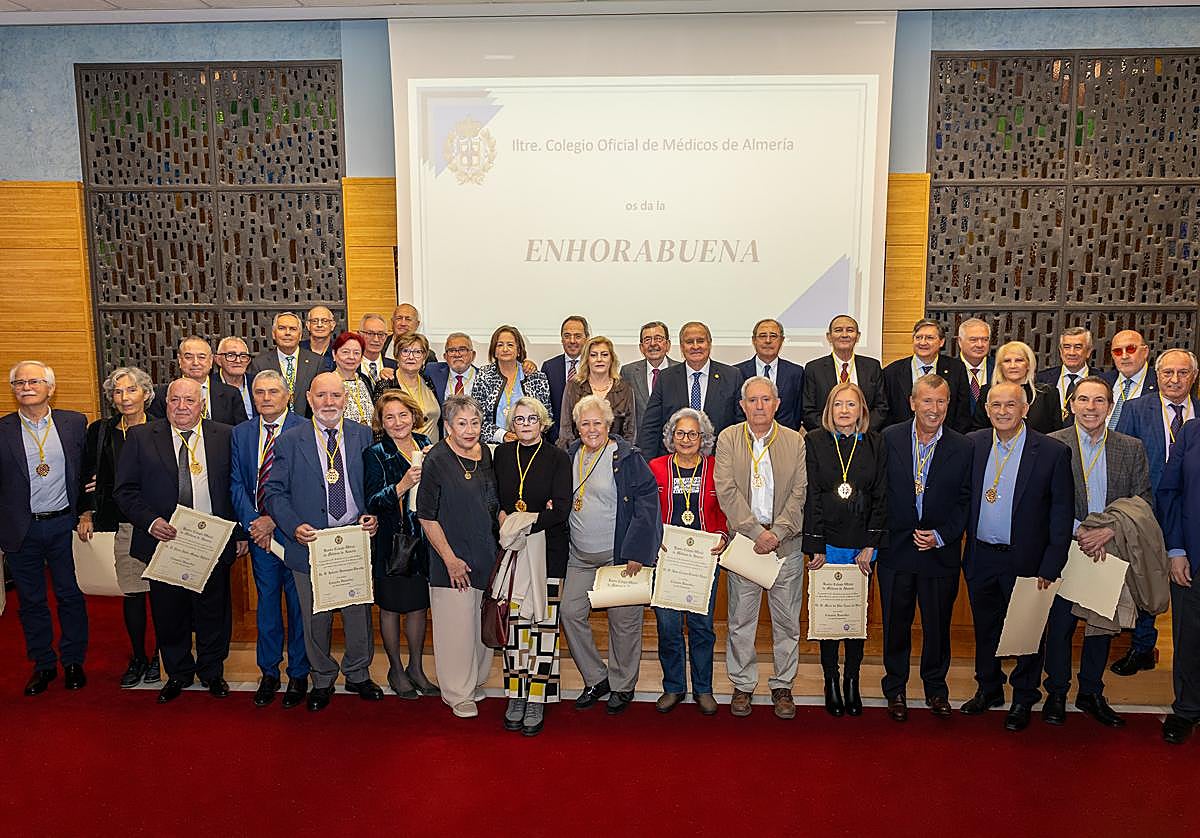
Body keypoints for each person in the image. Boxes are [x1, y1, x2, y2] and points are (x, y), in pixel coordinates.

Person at [261, 371, 383, 712]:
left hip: (353, 541)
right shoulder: (289, 440)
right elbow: (274, 492)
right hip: (311, 542)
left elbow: (376, 485)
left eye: (335, 396)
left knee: (358, 614)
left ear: (345, 399)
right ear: (309, 399)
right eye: (322, 396)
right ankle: (323, 677)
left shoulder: (363, 436)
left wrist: (373, 513)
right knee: (316, 617)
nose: (329, 402)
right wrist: (293, 525)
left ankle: (358, 673)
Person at [114, 378, 238, 703]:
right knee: (170, 613)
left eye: (190, 401)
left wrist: (236, 534)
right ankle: (178, 673)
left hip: (210, 542)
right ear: (165, 403)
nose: (182, 407)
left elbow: (236, 490)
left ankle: (212, 672)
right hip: (162, 543)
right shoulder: (141, 437)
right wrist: (150, 521)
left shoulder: (224, 436)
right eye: (175, 400)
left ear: (202, 405)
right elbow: (124, 490)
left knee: (214, 612)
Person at [960, 382, 1073, 732]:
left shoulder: (1052, 451)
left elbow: (1061, 513)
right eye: (996, 405)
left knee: (1027, 632)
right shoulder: (972, 444)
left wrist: (1052, 564)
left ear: (1025, 409)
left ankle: (1025, 695)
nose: (1003, 411)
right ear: (987, 408)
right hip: (981, 556)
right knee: (986, 628)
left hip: (1027, 560)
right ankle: (989, 688)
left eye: (1011, 405)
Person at [1043, 377, 1154, 729]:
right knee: (1059, 627)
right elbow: (1040, 501)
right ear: (1071, 404)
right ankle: (1057, 692)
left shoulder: (1130, 447)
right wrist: (1078, 530)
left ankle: (1090, 692)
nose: (1091, 407)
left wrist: (1109, 531)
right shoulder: (1051, 445)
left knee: (1100, 628)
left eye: (1099, 401)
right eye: (1084, 400)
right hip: (1067, 548)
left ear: (1109, 406)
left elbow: (1144, 501)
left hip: (1110, 549)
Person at [878, 374, 971, 721]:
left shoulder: (964, 446)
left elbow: (966, 500)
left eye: (941, 401)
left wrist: (943, 535)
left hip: (939, 550)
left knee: (937, 626)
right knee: (895, 625)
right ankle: (896, 689)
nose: (934, 409)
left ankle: (935, 689)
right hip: (896, 550)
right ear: (913, 402)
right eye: (927, 401)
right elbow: (879, 492)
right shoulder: (889, 438)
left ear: (949, 404)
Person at [561, 395, 661, 715]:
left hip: (618, 554)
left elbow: (648, 505)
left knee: (624, 624)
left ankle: (622, 684)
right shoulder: (569, 455)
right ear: (577, 427)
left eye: (597, 423)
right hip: (579, 554)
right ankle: (596, 677)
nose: (591, 429)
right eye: (585, 423)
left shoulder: (627, 457)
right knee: (570, 613)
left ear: (609, 424)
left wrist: (637, 551)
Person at [715, 376, 808, 719]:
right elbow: (726, 491)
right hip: (746, 545)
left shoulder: (795, 441)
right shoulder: (728, 438)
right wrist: (756, 532)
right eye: (752, 400)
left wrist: (778, 532)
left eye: (765, 400)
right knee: (741, 619)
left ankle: (783, 685)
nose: (759, 406)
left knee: (787, 622)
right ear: (742, 405)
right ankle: (742, 685)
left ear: (777, 404)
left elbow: (800, 492)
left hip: (786, 545)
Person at [1, 361, 89, 696]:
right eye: (18, 382)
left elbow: (85, 474)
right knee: (31, 600)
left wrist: (86, 512)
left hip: (64, 525)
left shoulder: (74, 423)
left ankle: (72, 661)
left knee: (70, 595)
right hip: (20, 530)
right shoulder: (3, 430)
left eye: (34, 380)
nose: (25, 386)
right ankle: (43, 664)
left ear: (50, 388)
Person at [1113, 348, 1200, 676]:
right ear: (1157, 375)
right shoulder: (1136, 409)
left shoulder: (1199, 415)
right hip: (1145, 509)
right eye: (1168, 373)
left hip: (1190, 513)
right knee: (1145, 576)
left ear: (1193, 377)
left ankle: (1186, 655)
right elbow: (1121, 458)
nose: (1175, 379)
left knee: (1186, 579)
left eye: (1182, 373)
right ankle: (1142, 646)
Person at [803, 382, 886, 718]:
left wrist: (871, 544)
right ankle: (830, 681)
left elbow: (882, 495)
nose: (844, 410)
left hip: (862, 546)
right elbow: (811, 497)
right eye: (838, 404)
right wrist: (816, 545)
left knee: (855, 617)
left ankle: (852, 680)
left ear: (861, 411)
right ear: (829, 409)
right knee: (829, 616)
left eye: (851, 405)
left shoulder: (876, 443)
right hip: (829, 543)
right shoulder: (815, 442)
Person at [416, 395, 501, 718]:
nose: (469, 430)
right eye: (461, 424)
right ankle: (456, 692)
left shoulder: (487, 455)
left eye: (475, 423)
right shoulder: (436, 459)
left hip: (485, 553)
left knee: (479, 625)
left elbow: (492, 503)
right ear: (448, 426)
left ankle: (475, 681)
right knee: (456, 630)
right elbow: (426, 516)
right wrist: (450, 559)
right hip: (450, 558)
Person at [230, 370, 309, 709]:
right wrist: (253, 524)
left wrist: (273, 520)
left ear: (287, 395)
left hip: (293, 534)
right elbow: (235, 482)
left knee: (299, 606)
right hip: (260, 539)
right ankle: (269, 673)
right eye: (259, 392)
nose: (265, 398)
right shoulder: (241, 433)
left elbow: (306, 487)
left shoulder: (305, 430)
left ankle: (299, 673)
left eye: (273, 391)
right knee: (266, 606)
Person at [492, 397, 571, 735]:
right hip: (512, 553)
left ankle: (537, 696)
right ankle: (516, 695)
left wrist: (521, 521)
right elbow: (495, 499)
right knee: (515, 628)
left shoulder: (558, 457)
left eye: (532, 419)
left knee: (543, 627)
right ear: (512, 423)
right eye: (519, 419)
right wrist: (505, 516)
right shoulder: (501, 455)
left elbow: (561, 509)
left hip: (548, 553)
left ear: (543, 422)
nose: (525, 424)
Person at [77, 366, 160, 688]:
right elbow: (87, 475)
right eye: (118, 392)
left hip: (160, 524)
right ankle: (139, 656)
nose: (124, 397)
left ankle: (161, 657)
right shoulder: (101, 431)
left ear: (146, 394)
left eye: (131, 390)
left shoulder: (161, 428)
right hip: (123, 524)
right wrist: (86, 513)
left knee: (165, 597)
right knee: (134, 594)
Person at [648, 408, 728, 716]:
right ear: (670, 437)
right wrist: (655, 540)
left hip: (704, 560)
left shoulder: (715, 468)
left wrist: (722, 534)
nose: (686, 439)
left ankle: (704, 689)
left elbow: (724, 507)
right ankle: (673, 687)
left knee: (702, 626)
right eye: (680, 433)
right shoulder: (655, 467)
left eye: (693, 434)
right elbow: (646, 510)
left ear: (704, 438)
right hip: (667, 558)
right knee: (668, 627)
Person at [363, 390, 440, 700]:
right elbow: (372, 500)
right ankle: (395, 669)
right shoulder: (376, 453)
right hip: (393, 541)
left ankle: (417, 668)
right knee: (392, 608)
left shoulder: (426, 446)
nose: (397, 422)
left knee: (419, 607)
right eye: (389, 417)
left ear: (414, 415)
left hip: (425, 540)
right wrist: (402, 484)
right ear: (382, 422)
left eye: (403, 415)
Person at [1156, 413, 1200, 744]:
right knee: (1189, 638)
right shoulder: (1191, 432)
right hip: (1191, 557)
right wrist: (1176, 549)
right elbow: (1169, 491)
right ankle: (1187, 708)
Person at [639, 321, 744, 458]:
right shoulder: (666, 378)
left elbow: (741, 425)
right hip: (674, 462)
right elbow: (651, 427)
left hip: (719, 461)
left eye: (700, 341)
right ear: (682, 347)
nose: (695, 346)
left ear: (709, 344)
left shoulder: (732, 376)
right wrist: (648, 467)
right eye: (689, 342)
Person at [802, 314, 888, 432]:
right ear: (829, 337)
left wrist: (860, 430)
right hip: (826, 440)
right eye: (838, 330)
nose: (844, 335)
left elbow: (881, 407)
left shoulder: (872, 367)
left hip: (864, 437)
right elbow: (808, 410)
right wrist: (832, 431)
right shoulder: (814, 369)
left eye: (850, 330)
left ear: (857, 336)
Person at [882, 318, 971, 432]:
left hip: (945, 440)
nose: (923, 342)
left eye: (929, 338)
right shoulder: (892, 372)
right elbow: (886, 413)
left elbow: (962, 412)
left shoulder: (956, 369)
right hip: (902, 440)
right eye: (918, 337)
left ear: (941, 342)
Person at [471, 325, 553, 444]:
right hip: (494, 446)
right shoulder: (484, 375)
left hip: (530, 445)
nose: (505, 349)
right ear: (494, 351)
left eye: (510, 345)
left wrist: (527, 435)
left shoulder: (536, 377)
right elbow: (476, 418)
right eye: (500, 345)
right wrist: (502, 435)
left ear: (519, 350)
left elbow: (547, 416)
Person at [558, 335, 637, 448]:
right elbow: (566, 429)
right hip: (579, 454)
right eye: (593, 355)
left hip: (615, 456)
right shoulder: (573, 387)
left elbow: (630, 431)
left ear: (611, 359)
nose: (599, 359)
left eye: (604, 355)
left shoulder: (625, 388)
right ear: (587, 359)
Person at [148, 336, 248, 426]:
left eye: (201, 357)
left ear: (211, 361)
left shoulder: (230, 394)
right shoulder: (162, 395)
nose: (195, 363)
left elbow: (241, 431)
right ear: (179, 360)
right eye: (188, 357)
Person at [971, 340, 1064, 434]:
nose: (1013, 366)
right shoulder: (987, 391)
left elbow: (1057, 433)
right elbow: (978, 429)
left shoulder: (1047, 393)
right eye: (1007, 361)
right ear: (1000, 366)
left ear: (1028, 364)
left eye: (1019, 360)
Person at [246, 312, 323, 416]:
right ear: (273, 334)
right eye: (282, 328)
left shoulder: (316, 362)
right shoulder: (260, 364)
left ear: (300, 335)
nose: (287, 333)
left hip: (308, 427)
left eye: (293, 329)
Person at [736, 318, 804, 430]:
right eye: (762, 336)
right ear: (754, 340)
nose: (768, 340)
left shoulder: (796, 372)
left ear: (781, 340)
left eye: (773, 336)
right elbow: (737, 411)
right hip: (746, 438)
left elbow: (797, 412)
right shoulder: (737, 372)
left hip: (784, 439)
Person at [542, 315, 590, 442]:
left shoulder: (594, 367)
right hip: (556, 441)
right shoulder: (549, 367)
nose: (572, 341)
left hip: (589, 439)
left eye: (578, 336)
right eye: (567, 336)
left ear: (587, 339)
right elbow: (545, 408)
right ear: (561, 339)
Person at [621, 320, 678, 421]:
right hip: (641, 436)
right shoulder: (628, 372)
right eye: (647, 340)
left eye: (658, 339)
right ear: (641, 347)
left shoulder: (680, 370)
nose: (653, 344)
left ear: (668, 344)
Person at [390, 332, 442, 442]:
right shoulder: (387, 384)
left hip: (433, 453)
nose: (411, 357)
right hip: (401, 454)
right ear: (396, 355)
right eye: (405, 351)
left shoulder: (429, 381)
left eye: (417, 352)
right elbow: (379, 428)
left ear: (424, 357)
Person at [1036, 327, 1095, 421]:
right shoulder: (1042, 379)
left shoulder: (1102, 380)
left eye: (1078, 347)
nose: (1071, 353)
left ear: (1088, 352)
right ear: (1060, 351)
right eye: (1067, 347)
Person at [1103, 329, 1158, 430]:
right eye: (1118, 351)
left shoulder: (1160, 384)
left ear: (1145, 352)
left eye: (1131, 349)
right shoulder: (1102, 381)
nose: (1124, 356)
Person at [330, 331, 376, 426]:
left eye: (356, 353)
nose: (351, 357)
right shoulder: (328, 382)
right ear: (334, 354)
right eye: (345, 352)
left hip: (370, 438)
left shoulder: (364, 380)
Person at [426, 332, 480, 403]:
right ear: (445, 356)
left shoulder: (484, 377)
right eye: (452, 351)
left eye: (462, 350)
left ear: (473, 355)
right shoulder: (432, 371)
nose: (457, 355)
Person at [956, 318, 994, 415]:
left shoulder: (998, 367)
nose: (980, 345)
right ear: (960, 342)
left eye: (985, 340)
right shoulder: (949, 369)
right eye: (973, 340)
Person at [213, 336, 255, 419]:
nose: (238, 360)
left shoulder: (257, 383)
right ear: (218, 360)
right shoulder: (210, 386)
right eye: (231, 355)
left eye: (243, 356)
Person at [357, 312, 398, 388]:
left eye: (381, 334)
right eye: (370, 333)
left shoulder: (395, 367)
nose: (376, 339)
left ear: (386, 337)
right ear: (360, 335)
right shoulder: (350, 366)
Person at [300, 304, 338, 371]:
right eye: (314, 321)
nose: (319, 325)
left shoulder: (339, 350)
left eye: (325, 321)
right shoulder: (298, 349)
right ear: (308, 325)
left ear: (332, 325)